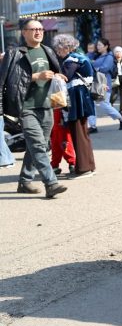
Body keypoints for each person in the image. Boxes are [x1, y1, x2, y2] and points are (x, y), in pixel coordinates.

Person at [0, 19, 68, 198]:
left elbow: (52, 73)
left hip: (47, 106)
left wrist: (58, 75)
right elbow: (7, 81)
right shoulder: (15, 53)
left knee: (38, 147)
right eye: (33, 29)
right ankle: (51, 183)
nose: (38, 32)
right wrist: (36, 76)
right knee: (37, 145)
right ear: (24, 32)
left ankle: (24, 182)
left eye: (40, 29)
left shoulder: (48, 51)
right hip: (26, 108)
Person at [53, 34, 97, 178]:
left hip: (77, 100)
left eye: (59, 49)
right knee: (83, 134)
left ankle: (83, 168)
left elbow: (64, 78)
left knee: (78, 134)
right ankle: (88, 165)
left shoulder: (71, 60)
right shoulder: (79, 57)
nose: (58, 52)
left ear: (66, 47)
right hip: (82, 99)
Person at [89, 39, 122, 132]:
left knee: (104, 104)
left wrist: (94, 68)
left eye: (100, 45)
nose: (98, 47)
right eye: (97, 45)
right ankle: (93, 126)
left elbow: (105, 68)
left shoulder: (109, 56)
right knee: (91, 103)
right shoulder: (97, 56)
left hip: (104, 83)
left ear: (106, 46)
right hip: (95, 83)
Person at [50, 107, 76, 177]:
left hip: (61, 112)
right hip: (52, 113)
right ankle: (54, 165)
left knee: (65, 142)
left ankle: (72, 164)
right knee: (55, 144)